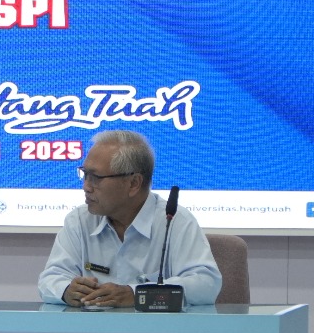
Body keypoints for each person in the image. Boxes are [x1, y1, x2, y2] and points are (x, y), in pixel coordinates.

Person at [39, 129, 221, 308]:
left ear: (134, 183)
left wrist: (137, 294)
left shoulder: (174, 221)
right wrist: (66, 290)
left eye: (95, 177)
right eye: (84, 174)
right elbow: (50, 278)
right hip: (94, 327)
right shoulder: (79, 220)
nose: (86, 187)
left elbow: (206, 284)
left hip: (157, 327)